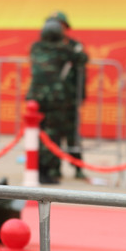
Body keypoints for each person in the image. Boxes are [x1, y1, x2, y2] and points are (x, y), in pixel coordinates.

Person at [28, 18, 82, 184]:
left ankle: (37, 170)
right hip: (54, 99)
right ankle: (46, 172)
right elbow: (82, 58)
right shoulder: (63, 49)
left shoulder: (36, 48)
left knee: (37, 134)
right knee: (52, 136)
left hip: (36, 98)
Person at [48, 10, 89, 179]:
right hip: (52, 98)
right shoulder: (46, 45)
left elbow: (83, 62)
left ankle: (77, 167)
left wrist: (81, 95)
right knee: (53, 135)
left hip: (70, 98)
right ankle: (54, 168)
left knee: (72, 134)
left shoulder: (73, 45)